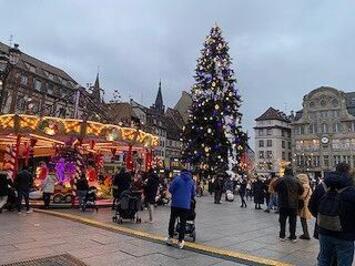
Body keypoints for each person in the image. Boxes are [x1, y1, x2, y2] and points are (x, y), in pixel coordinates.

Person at [309, 163, 355, 266]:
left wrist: (324, 217)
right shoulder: (352, 190)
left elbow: (311, 206)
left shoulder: (322, 186)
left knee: (324, 258)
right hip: (345, 234)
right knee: (344, 261)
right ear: (348, 172)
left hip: (324, 231)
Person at [166, 169, 195, 249]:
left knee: (172, 220)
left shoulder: (177, 179)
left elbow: (171, 189)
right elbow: (193, 193)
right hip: (185, 205)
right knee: (183, 223)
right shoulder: (191, 181)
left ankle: (171, 238)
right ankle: (180, 241)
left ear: (181, 172)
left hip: (175, 204)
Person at [274, 167, 304, 242]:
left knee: (282, 220)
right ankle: (293, 236)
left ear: (285, 172)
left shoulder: (280, 180)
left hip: (283, 203)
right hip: (293, 203)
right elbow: (302, 190)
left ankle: (282, 236)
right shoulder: (296, 180)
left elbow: (274, 187)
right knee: (293, 220)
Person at [296, 174, 312, 240]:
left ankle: (306, 234)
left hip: (304, 205)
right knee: (303, 220)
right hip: (304, 204)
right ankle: (305, 233)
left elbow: (302, 196)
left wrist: (296, 196)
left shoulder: (305, 186)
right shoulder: (306, 185)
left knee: (303, 220)